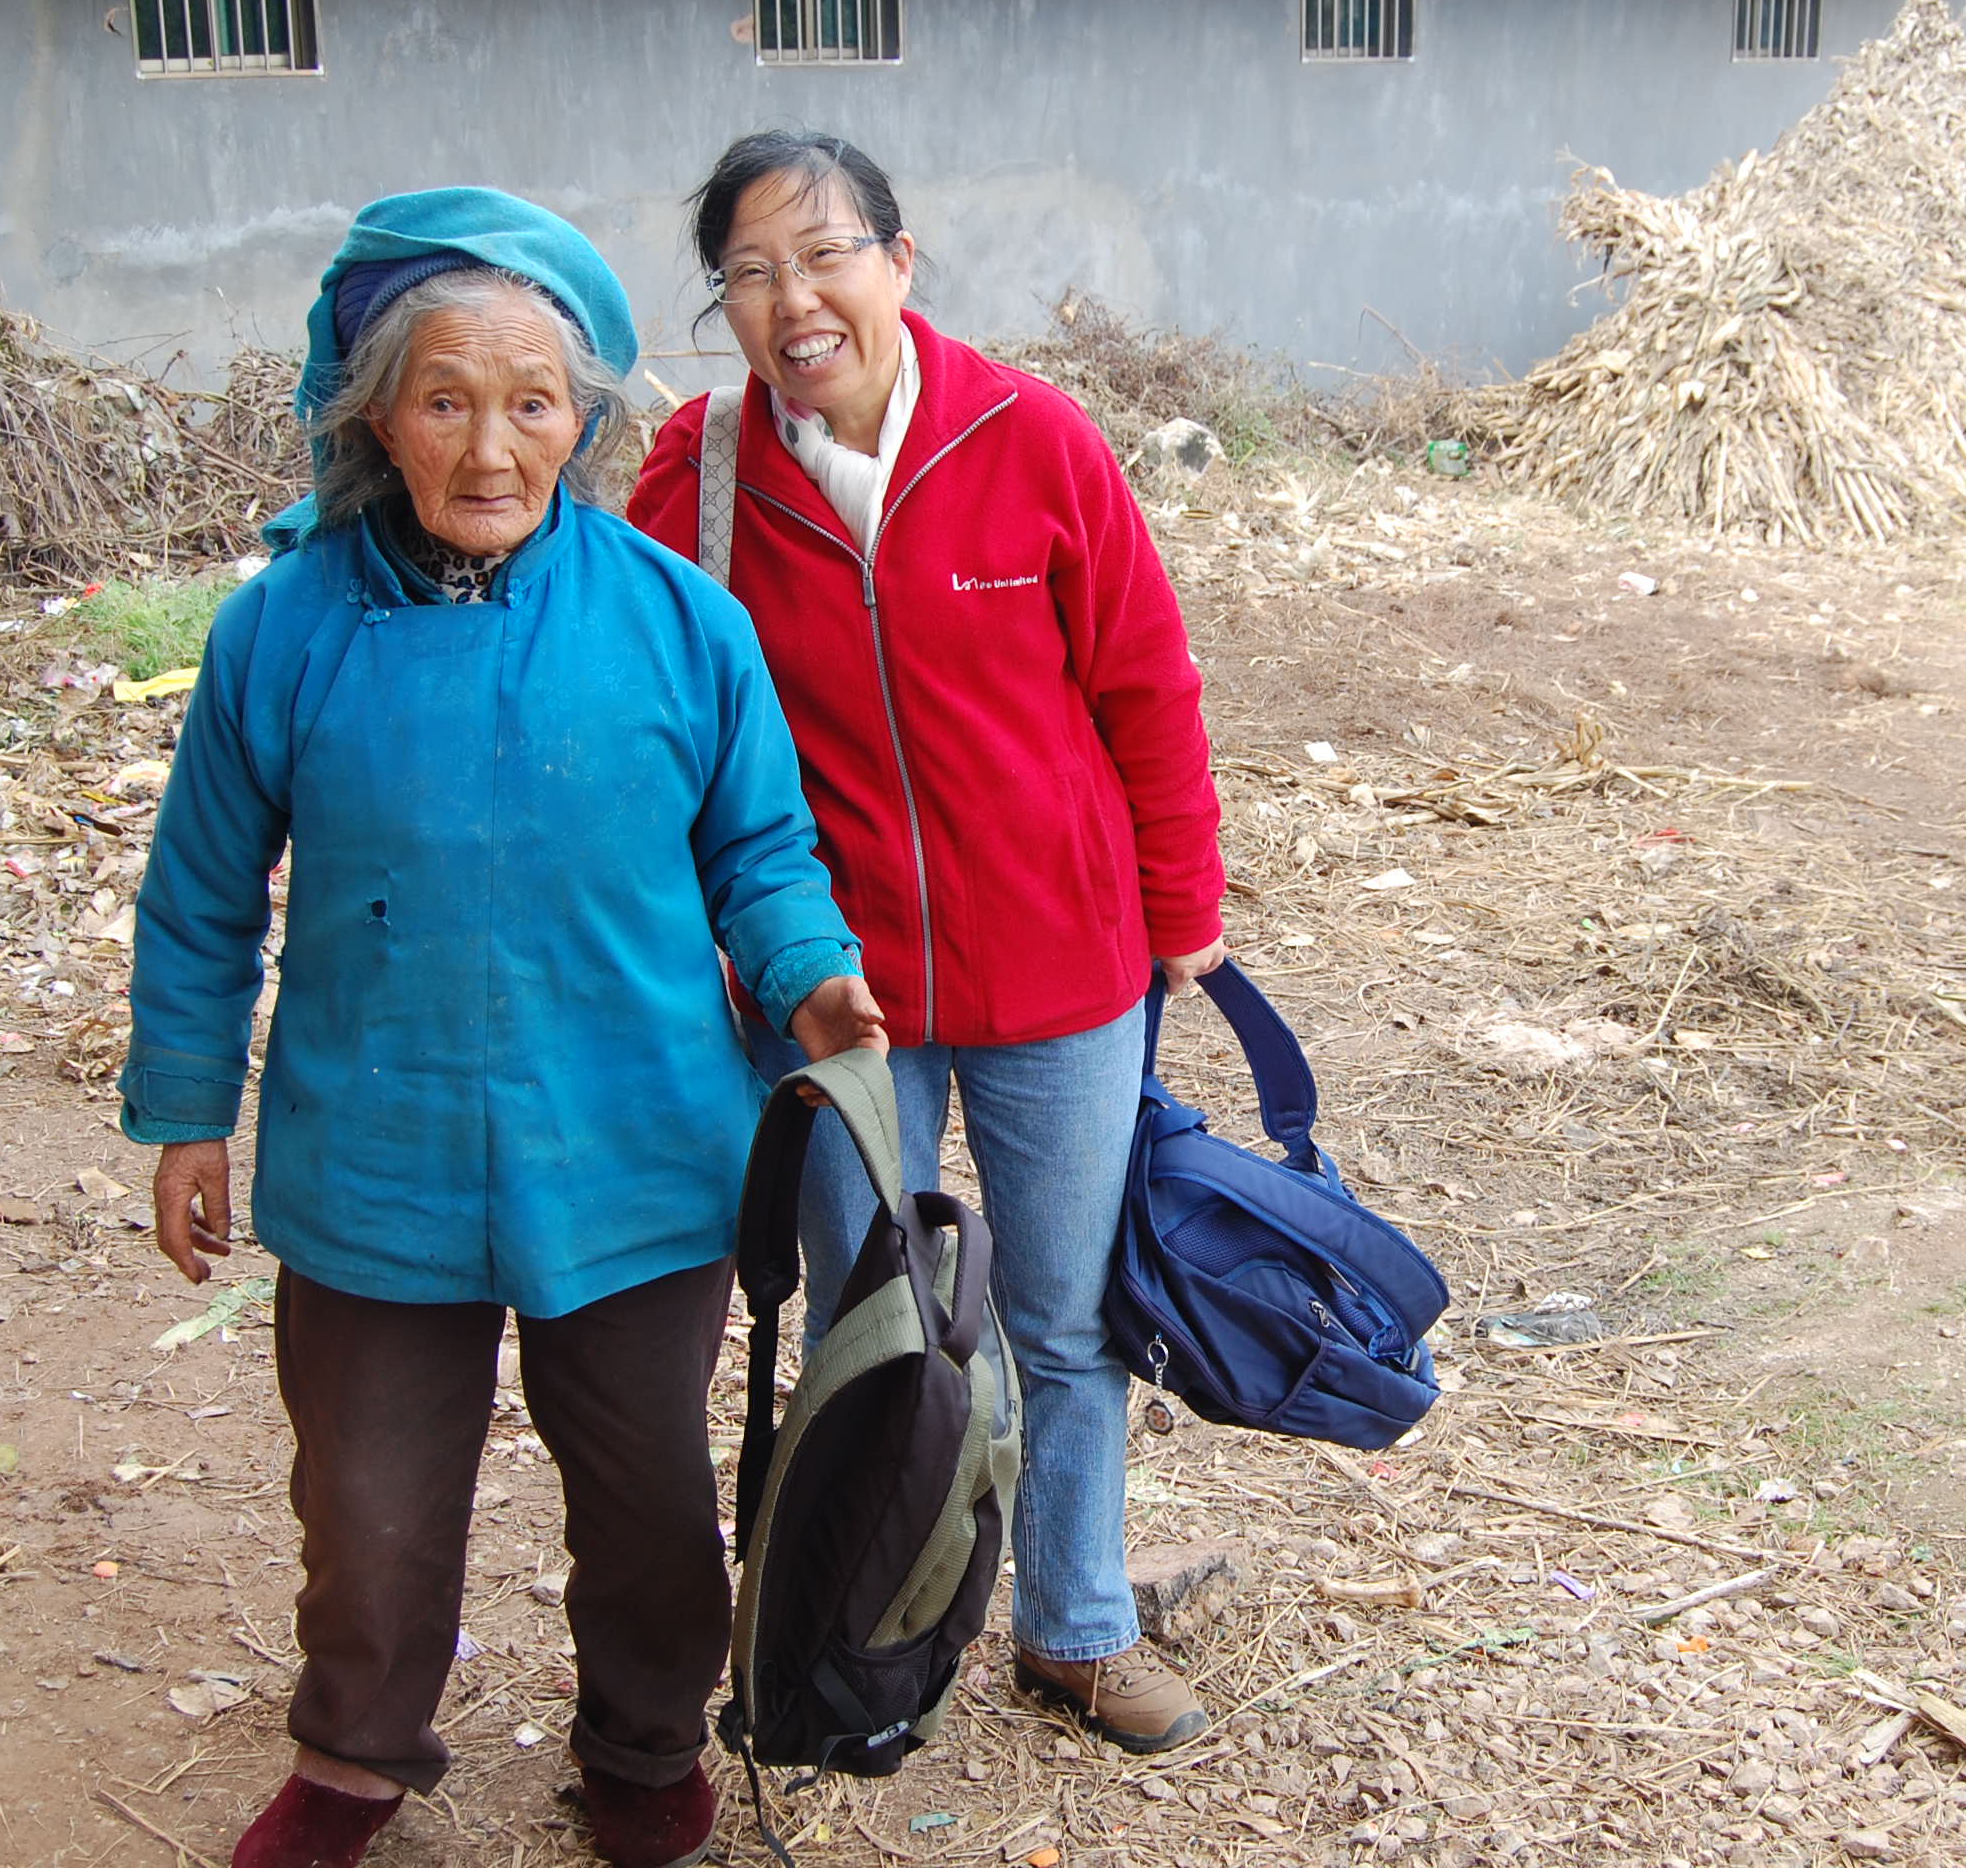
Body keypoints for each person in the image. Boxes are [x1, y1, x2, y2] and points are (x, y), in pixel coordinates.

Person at [125, 187, 885, 1868]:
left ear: (583, 420)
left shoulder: (680, 621)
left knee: (649, 1501)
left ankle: (643, 1742)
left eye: (533, 402)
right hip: (375, 1150)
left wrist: (810, 971)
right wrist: (184, 1110)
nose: (489, 449)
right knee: (368, 1506)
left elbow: (760, 852)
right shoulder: (283, 629)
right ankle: (353, 1759)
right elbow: (202, 893)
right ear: (373, 417)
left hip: (636, 1144)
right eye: (445, 400)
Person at [624, 132, 1229, 1754]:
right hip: (831, 990)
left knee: (1069, 1317)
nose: (794, 300)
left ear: (900, 261)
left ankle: (1076, 1628)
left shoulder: (1029, 438)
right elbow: (657, 725)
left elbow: (1145, 682)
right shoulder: (702, 476)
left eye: (826, 255)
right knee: (866, 1324)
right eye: (751, 274)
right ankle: (860, 1636)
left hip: (1063, 969)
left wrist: (1182, 905)